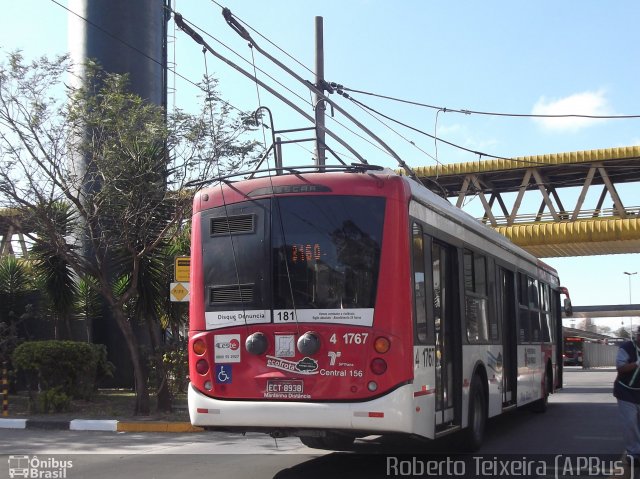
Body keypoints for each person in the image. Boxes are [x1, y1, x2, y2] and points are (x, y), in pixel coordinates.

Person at [614, 326, 640, 465]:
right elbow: (620, 367)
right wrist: (636, 364)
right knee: (630, 422)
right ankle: (634, 453)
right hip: (626, 391)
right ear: (637, 335)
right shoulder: (626, 348)